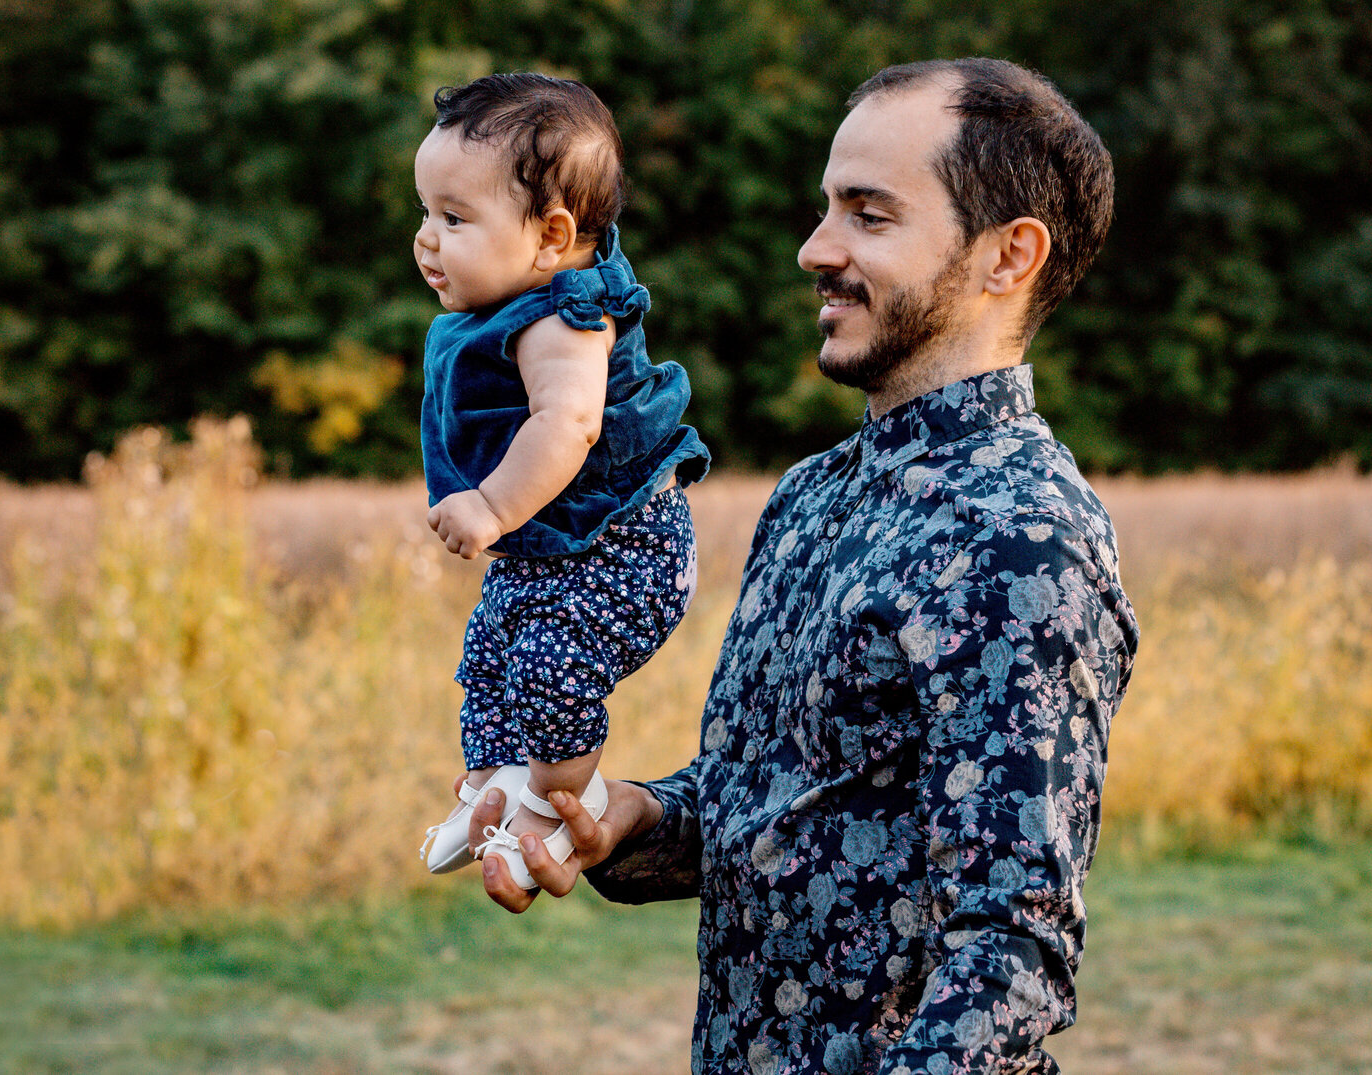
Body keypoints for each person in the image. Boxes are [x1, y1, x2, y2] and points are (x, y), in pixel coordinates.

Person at [467, 57, 1138, 1073]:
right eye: (827, 208)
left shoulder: (1021, 538)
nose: (813, 248)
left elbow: (1010, 957)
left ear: (1008, 257)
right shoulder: (813, 493)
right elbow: (777, 808)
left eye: (869, 216)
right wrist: (633, 818)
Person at [414, 72, 709, 890]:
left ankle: (551, 797)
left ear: (551, 235)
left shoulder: (565, 317)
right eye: (426, 214)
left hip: (625, 548)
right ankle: (493, 783)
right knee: (491, 652)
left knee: (551, 659)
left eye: (453, 218)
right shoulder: (509, 301)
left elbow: (568, 426)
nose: (427, 240)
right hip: (553, 554)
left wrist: (490, 504)